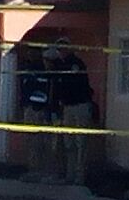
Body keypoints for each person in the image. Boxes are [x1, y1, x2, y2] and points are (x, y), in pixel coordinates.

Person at [44, 38, 95, 186]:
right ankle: (70, 174)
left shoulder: (76, 64)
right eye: (59, 49)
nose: (61, 51)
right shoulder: (58, 66)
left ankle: (80, 177)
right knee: (69, 143)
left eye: (63, 48)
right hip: (67, 107)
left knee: (81, 142)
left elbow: (76, 86)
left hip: (80, 105)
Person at [19, 49, 55, 183]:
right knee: (32, 143)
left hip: (44, 112)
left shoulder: (50, 74)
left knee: (46, 143)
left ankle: (46, 172)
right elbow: (25, 91)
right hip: (31, 110)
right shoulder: (30, 71)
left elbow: (50, 94)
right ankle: (33, 171)